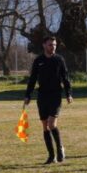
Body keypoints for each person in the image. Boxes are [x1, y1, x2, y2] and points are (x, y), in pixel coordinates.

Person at [24, 36, 74, 164]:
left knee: (52, 124)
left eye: (55, 45)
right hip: (42, 96)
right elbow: (32, 79)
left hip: (56, 95)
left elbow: (65, 78)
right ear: (44, 45)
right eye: (50, 44)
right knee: (45, 126)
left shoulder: (59, 60)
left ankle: (60, 149)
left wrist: (68, 94)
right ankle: (51, 156)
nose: (53, 47)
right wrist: (28, 95)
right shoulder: (38, 60)